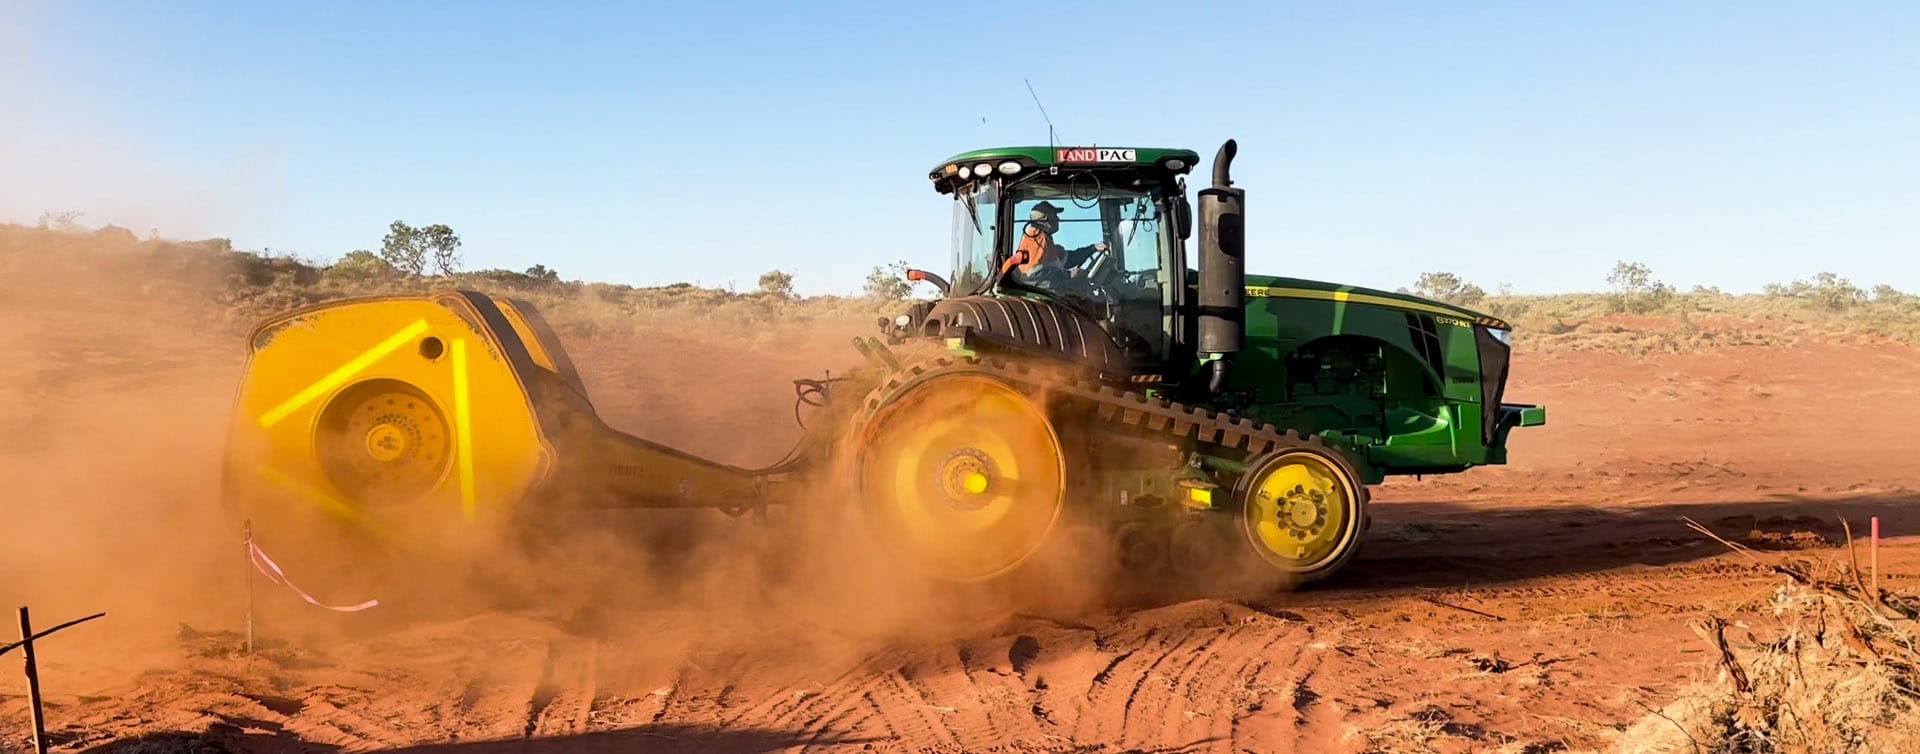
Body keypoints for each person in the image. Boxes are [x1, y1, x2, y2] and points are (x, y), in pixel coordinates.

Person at [1005, 201, 1107, 293]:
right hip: (1042, 293)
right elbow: (1034, 275)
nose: (1058, 219)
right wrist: (1068, 274)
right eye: (1055, 216)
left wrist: (1092, 249)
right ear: (1045, 219)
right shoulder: (1036, 238)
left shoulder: (1046, 240)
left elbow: (1069, 258)